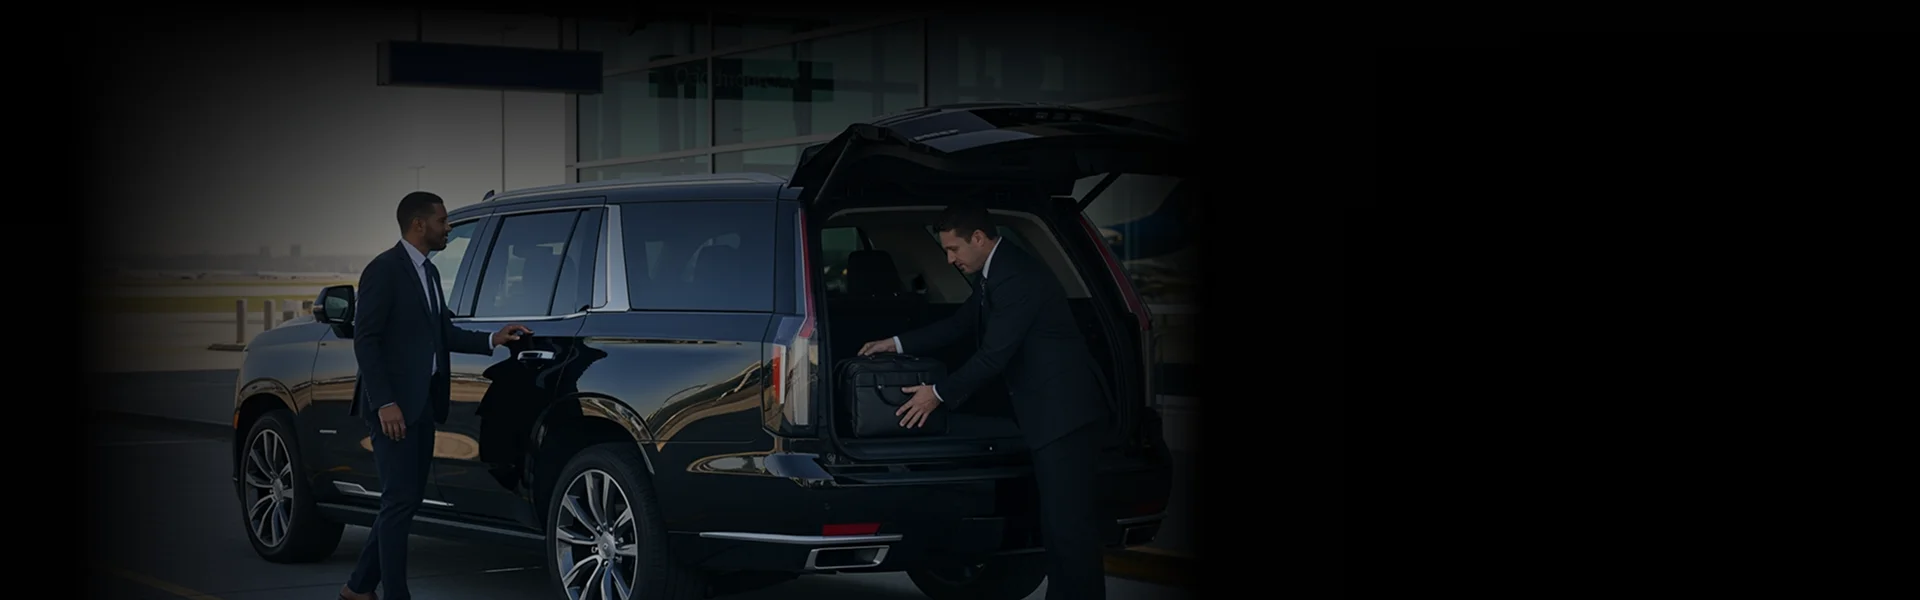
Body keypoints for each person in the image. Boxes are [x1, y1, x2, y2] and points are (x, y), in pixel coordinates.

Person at [858, 201, 1113, 600]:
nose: (949, 258)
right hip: (1047, 414)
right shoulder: (995, 272)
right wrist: (895, 343)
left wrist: (936, 395)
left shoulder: (1017, 278)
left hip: (1065, 416)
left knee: (1069, 527)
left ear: (978, 238)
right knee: (1059, 524)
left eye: (953, 249)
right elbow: (961, 324)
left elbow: (994, 355)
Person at [340, 191, 531, 600]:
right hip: (393, 407)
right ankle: (394, 595)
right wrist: (385, 402)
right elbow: (366, 341)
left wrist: (493, 339)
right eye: (443, 221)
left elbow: (442, 333)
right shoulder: (384, 269)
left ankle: (357, 588)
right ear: (419, 225)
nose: (448, 228)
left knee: (403, 502)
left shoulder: (428, 274)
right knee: (397, 502)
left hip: (423, 402)